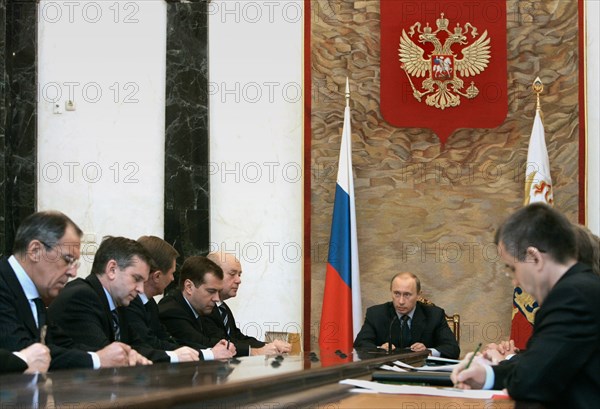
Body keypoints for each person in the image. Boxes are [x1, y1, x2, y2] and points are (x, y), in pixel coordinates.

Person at [452, 203, 600, 408]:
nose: (515, 282)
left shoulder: (572, 295)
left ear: (534, 257)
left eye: (513, 268)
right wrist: (487, 374)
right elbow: (542, 364)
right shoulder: (581, 288)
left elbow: (530, 381)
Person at [0, 211, 138, 370]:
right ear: (35, 251)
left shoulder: (35, 293)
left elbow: (63, 345)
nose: (73, 272)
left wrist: (117, 356)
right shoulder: (4, 284)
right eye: (67, 260)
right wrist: (98, 359)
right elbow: (24, 352)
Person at [48, 236, 172, 365]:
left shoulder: (118, 302)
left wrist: (174, 356)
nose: (141, 289)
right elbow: (108, 354)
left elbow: (137, 346)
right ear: (112, 269)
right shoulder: (81, 297)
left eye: (143, 282)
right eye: (136, 278)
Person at [122, 236, 199, 362]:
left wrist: (196, 353)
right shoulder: (129, 302)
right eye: (171, 273)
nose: (173, 279)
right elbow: (146, 345)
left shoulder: (150, 303)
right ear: (157, 276)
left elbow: (164, 339)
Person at [353, 272, 460, 359]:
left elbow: (452, 349)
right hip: (387, 374)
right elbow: (360, 344)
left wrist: (428, 352)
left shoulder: (434, 315)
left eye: (407, 295)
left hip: (421, 374)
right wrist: (379, 349)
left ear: (418, 295)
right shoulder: (376, 314)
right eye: (397, 293)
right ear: (391, 292)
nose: (401, 301)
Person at [204, 251, 291, 356]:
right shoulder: (205, 307)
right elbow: (218, 342)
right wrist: (255, 351)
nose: (238, 280)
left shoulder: (223, 307)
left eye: (239, 275)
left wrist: (269, 345)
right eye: (232, 274)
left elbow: (238, 338)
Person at [158, 256, 236, 360]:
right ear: (189, 287)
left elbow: (218, 339)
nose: (217, 298)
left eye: (218, 292)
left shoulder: (201, 307)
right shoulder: (171, 309)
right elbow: (197, 343)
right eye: (211, 291)